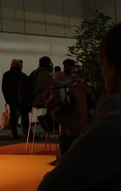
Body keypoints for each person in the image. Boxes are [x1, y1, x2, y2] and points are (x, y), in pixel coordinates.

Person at [38, 23, 121, 190]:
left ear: (112, 68)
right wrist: (75, 128)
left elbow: (53, 186)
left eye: (102, 63)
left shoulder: (105, 136)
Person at [1, 58, 29, 139]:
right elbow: (25, 88)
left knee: (13, 115)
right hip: (21, 99)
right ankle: (27, 133)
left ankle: (14, 132)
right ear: (18, 66)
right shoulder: (21, 75)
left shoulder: (6, 74)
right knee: (24, 115)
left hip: (11, 99)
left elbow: (3, 87)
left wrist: (7, 98)